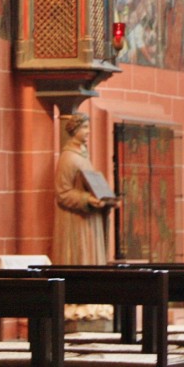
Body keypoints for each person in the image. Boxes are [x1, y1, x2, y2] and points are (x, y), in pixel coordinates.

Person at [52, 113, 114, 265]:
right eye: (85, 127)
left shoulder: (82, 155)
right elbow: (62, 192)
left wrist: (107, 201)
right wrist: (87, 199)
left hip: (89, 220)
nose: (88, 131)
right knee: (81, 259)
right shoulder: (68, 157)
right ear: (75, 129)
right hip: (76, 223)